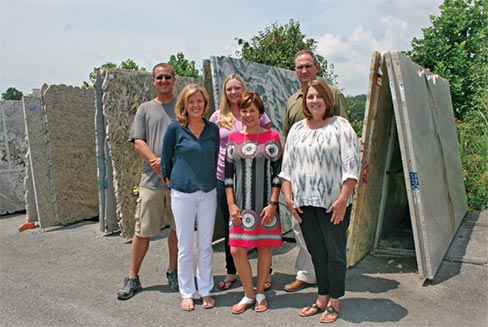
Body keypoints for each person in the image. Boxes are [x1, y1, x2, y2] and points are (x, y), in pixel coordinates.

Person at [279, 79, 359, 323]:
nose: (314, 101)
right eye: (310, 97)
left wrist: (343, 199)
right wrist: (289, 198)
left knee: (334, 253)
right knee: (317, 252)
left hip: (332, 204)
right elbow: (287, 168)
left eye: (319, 96)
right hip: (304, 203)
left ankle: (334, 301)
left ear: (328, 100)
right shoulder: (297, 129)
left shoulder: (341, 127)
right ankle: (322, 296)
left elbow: (352, 167)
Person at [281, 50, 349, 293]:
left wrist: (344, 191)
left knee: (331, 240)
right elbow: (287, 138)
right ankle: (307, 274)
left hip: (329, 186)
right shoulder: (292, 102)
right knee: (303, 234)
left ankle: (330, 283)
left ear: (316, 67)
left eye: (308, 66)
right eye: (299, 67)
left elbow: (345, 138)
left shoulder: (334, 95)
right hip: (302, 186)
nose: (304, 71)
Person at [117, 63, 179, 300]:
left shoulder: (182, 108)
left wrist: (170, 165)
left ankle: (173, 271)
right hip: (151, 182)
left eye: (168, 77)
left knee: (177, 230)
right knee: (142, 231)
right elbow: (137, 140)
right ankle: (133, 277)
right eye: (159, 77)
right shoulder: (145, 109)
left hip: (177, 183)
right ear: (153, 81)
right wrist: (156, 162)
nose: (164, 80)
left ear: (174, 80)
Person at [209, 74, 272, 291]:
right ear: (224, 93)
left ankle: (266, 273)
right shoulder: (218, 116)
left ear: (243, 89)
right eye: (229, 89)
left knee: (260, 226)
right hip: (223, 178)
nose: (233, 92)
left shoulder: (254, 113)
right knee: (232, 228)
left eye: (237, 88)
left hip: (254, 179)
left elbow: (268, 140)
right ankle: (231, 270)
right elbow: (209, 145)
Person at [161, 83, 219, 311]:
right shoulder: (174, 130)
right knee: (185, 245)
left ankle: (205, 289)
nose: (195, 105)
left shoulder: (212, 129)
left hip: (207, 193)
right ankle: (186, 292)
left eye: (200, 101)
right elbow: (165, 164)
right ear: (184, 105)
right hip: (182, 194)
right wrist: (175, 184)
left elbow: (213, 160)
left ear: (205, 104)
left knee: (205, 245)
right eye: (191, 101)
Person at [225, 91, 283, 314]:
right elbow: (228, 176)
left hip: (265, 205)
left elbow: (278, 174)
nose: (248, 114)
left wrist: (273, 204)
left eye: (252, 110)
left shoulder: (272, 138)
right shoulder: (234, 139)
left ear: (260, 113)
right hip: (240, 206)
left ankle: (260, 294)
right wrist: (231, 204)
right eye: (244, 110)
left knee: (264, 248)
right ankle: (248, 294)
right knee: (236, 251)